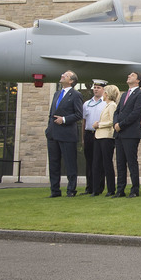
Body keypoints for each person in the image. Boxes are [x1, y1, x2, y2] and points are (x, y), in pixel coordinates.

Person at [45, 70, 83, 198]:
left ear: (71, 81)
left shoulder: (76, 95)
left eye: (65, 75)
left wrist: (64, 119)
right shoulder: (56, 94)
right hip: (52, 134)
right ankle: (55, 190)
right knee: (53, 163)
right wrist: (48, 129)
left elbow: (79, 114)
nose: (62, 75)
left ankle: (71, 190)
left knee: (70, 163)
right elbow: (51, 113)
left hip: (67, 134)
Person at [114, 71, 141, 198]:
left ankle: (134, 189)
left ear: (138, 81)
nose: (129, 76)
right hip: (119, 133)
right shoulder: (123, 95)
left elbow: (136, 113)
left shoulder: (140, 94)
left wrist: (121, 124)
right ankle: (120, 190)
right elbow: (117, 111)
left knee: (131, 162)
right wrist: (115, 123)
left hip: (130, 133)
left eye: (132, 75)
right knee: (120, 162)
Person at [92, 84, 120, 196]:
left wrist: (99, 124)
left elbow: (112, 121)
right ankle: (97, 188)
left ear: (107, 94)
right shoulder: (106, 105)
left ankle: (111, 189)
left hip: (107, 137)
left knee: (107, 163)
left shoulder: (112, 105)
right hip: (99, 137)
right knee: (97, 163)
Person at [81, 80, 107, 195]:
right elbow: (84, 121)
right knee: (89, 161)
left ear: (103, 90)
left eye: (98, 87)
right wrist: (82, 137)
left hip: (100, 133)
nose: (96, 89)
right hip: (88, 133)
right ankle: (89, 187)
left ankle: (98, 187)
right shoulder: (87, 103)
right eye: (95, 87)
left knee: (99, 162)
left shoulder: (105, 103)